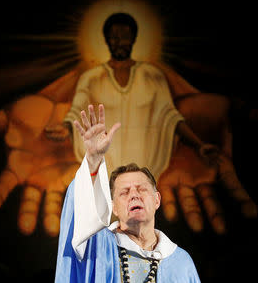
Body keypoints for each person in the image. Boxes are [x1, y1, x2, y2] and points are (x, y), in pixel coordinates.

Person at [55, 104, 200, 282]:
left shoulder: (181, 262)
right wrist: (93, 160)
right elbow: (79, 220)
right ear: (113, 207)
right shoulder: (98, 248)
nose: (134, 195)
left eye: (141, 189)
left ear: (156, 200)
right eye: (124, 192)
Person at [64, 12, 218, 180]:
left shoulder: (152, 76)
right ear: (106, 39)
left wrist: (198, 145)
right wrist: (64, 128)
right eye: (114, 37)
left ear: (134, 39)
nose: (119, 42)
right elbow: (76, 111)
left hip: (144, 170)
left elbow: (170, 116)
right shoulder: (91, 78)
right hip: (103, 171)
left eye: (124, 37)